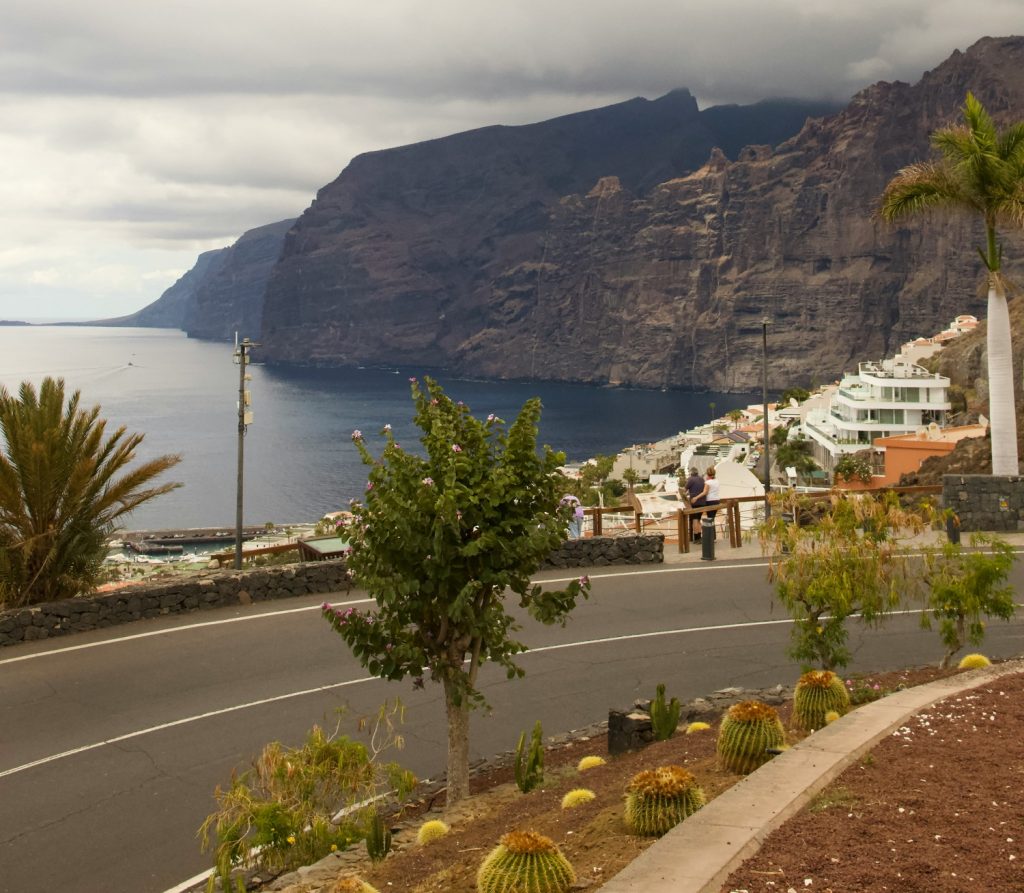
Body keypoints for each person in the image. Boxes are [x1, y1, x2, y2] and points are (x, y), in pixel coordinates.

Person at [683, 467, 705, 540]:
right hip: (702, 502)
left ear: (691, 473)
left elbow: (684, 490)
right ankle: (699, 536)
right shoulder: (702, 479)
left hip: (694, 502)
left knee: (694, 520)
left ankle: (696, 537)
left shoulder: (691, 479)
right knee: (698, 519)